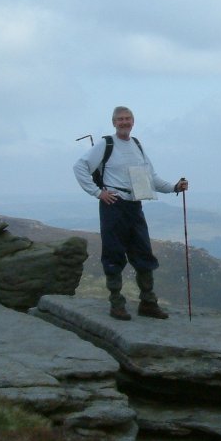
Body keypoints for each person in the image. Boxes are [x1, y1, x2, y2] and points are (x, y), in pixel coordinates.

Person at [73, 106, 188, 320]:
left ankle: (148, 303)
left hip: (134, 205)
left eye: (127, 119)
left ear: (133, 121)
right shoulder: (105, 144)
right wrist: (98, 193)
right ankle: (117, 304)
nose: (124, 122)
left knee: (143, 252)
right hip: (113, 205)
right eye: (120, 119)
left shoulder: (136, 145)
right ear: (114, 122)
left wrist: (174, 187)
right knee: (114, 253)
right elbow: (79, 167)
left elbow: (151, 178)